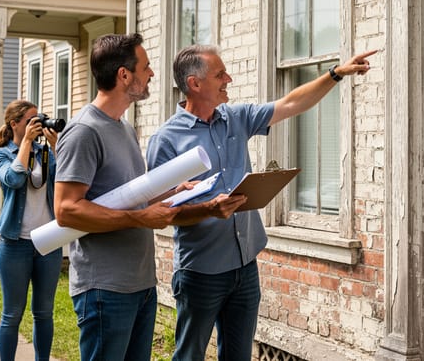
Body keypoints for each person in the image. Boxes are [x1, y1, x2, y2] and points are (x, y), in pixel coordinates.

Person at [146, 44, 376, 361]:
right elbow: (161, 213)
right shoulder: (166, 140)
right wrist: (208, 210)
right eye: (219, 74)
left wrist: (336, 73)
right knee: (190, 355)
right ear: (194, 84)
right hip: (201, 272)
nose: (228, 78)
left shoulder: (235, 118)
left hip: (245, 266)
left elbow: (292, 104)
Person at [53, 33, 229, 361]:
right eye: (145, 67)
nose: (150, 74)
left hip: (141, 285)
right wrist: (139, 218)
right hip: (104, 289)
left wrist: (176, 190)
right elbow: (66, 210)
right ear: (124, 75)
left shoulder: (123, 128)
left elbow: (131, 196)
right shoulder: (83, 132)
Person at [0, 99, 62, 361]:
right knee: (12, 315)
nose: (38, 124)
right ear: (15, 124)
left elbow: (66, 176)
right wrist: (26, 145)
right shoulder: (1, 154)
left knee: (44, 312)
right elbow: (13, 178)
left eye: (39, 119)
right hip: (15, 244)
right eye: (32, 120)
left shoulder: (45, 152)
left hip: (48, 242)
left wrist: (55, 146)